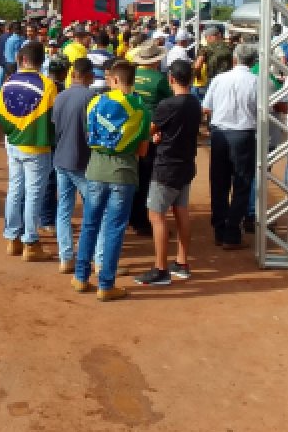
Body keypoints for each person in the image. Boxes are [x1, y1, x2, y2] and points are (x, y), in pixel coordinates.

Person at [71, 61, 151, 301]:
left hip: (95, 169)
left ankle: (80, 277)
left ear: (115, 80)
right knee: (114, 229)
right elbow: (143, 152)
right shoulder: (141, 109)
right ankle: (106, 284)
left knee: (89, 224)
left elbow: (90, 135)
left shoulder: (95, 102)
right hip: (123, 173)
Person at [135, 58, 202, 285]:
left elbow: (150, 129)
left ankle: (160, 268)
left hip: (167, 166)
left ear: (171, 78)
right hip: (185, 163)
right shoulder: (194, 103)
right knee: (180, 210)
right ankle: (182, 262)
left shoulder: (168, 105)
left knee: (156, 215)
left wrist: (154, 135)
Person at [0, 43, 56, 259]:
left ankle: (13, 238)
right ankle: (30, 242)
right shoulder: (48, 85)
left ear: (22, 59)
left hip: (14, 143)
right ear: (43, 60)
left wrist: (14, 130)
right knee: (33, 195)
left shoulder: (9, 82)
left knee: (15, 190)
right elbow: (52, 119)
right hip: (37, 146)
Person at [202, 43, 258, 249]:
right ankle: (232, 232)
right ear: (253, 62)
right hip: (243, 135)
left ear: (235, 59)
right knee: (242, 184)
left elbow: (206, 107)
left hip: (220, 134)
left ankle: (220, 230)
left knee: (219, 183)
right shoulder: (255, 81)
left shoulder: (219, 78)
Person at [51, 57, 95, 274]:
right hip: (83, 161)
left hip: (62, 158)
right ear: (87, 76)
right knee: (92, 209)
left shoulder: (60, 97)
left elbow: (56, 129)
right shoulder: (91, 97)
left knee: (64, 209)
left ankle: (65, 256)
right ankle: (91, 254)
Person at [127, 40, 173, 236]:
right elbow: (169, 102)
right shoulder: (159, 79)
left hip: (130, 129)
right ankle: (143, 220)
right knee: (147, 177)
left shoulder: (131, 74)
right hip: (151, 131)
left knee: (132, 174)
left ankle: (131, 216)